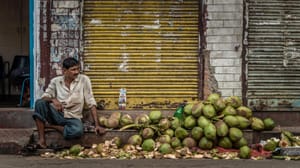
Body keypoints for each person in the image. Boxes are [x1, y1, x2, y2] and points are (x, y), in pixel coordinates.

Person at [32, 57, 105, 149]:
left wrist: (97, 125)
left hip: (73, 117)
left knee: (77, 131)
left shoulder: (84, 80)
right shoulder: (56, 81)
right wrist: (53, 99)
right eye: (73, 70)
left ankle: (50, 126)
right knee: (39, 103)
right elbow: (45, 97)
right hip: (57, 114)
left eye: (78, 69)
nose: (77, 72)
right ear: (64, 71)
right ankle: (42, 140)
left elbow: (91, 101)